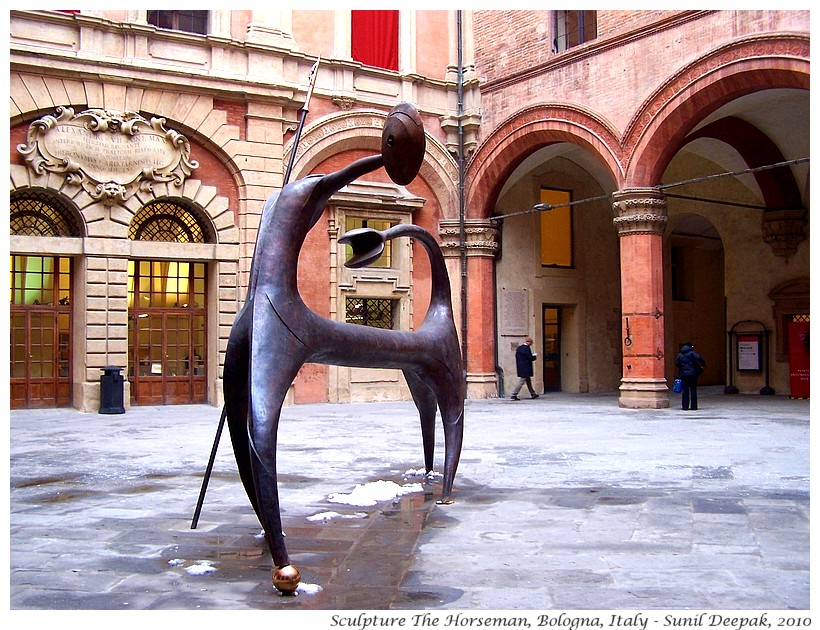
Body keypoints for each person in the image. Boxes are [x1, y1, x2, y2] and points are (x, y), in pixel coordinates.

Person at [674, 341, 706, 410]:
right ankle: (693, 407)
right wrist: (702, 365)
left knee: (685, 390)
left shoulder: (679, 354)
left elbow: (677, 363)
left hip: (684, 374)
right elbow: (700, 359)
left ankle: (685, 406)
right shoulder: (692, 353)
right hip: (693, 374)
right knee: (693, 390)